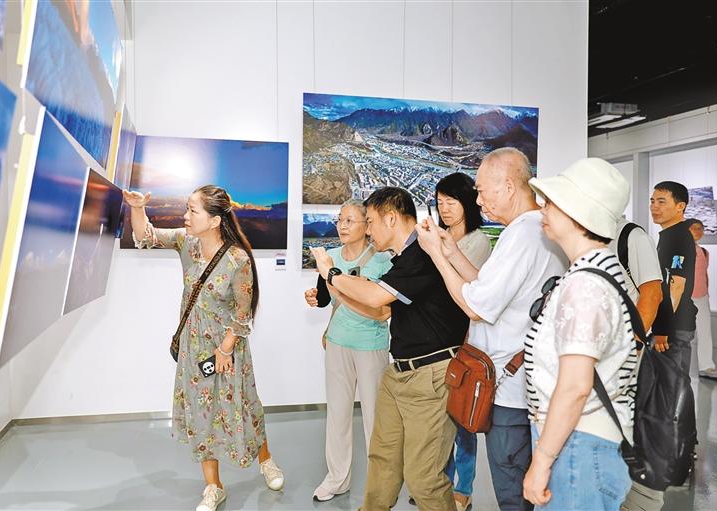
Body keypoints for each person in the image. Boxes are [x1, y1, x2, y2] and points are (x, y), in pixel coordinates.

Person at [415, 148, 566, 511]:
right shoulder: (533, 229)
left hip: (510, 388)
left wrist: (435, 255)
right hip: (526, 378)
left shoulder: (523, 234)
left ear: (509, 187)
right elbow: (488, 287)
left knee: (511, 483)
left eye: (482, 191)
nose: (479, 200)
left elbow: (475, 306)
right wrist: (451, 252)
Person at [123, 186, 284, 511]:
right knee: (201, 414)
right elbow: (146, 236)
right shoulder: (187, 243)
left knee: (244, 406)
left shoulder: (238, 259)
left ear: (214, 220)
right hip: (193, 348)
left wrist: (224, 350)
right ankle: (213, 487)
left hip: (227, 350)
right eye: (187, 208)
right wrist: (138, 209)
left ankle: (265, 460)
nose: (185, 216)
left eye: (192, 210)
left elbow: (243, 313)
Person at [311, 186, 470, 511]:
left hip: (431, 375)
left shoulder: (420, 255)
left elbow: (375, 300)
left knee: (423, 477)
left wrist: (331, 273)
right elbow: (375, 302)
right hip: (400, 370)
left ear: (391, 218)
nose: (368, 230)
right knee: (383, 459)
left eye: (369, 221)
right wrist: (335, 285)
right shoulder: (405, 258)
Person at [522, 157, 638, 510]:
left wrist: (542, 460)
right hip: (582, 441)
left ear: (579, 214)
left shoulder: (585, 285)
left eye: (553, 202)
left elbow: (575, 386)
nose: (543, 208)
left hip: (579, 446)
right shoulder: (596, 271)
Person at [302, 199, 392, 502]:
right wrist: (315, 297)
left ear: (367, 226)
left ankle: (379, 486)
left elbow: (382, 308)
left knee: (374, 419)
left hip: (371, 346)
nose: (342, 226)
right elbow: (326, 298)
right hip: (338, 343)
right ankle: (336, 479)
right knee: (337, 415)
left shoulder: (383, 261)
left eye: (349, 220)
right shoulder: (330, 257)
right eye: (340, 220)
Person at [436, 173, 492, 511]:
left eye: (451, 201)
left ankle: (464, 486)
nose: (444, 208)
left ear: (467, 203)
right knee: (440, 419)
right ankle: (439, 482)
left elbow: (466, 286)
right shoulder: (438, 236)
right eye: (440, 201)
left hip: (463, 338)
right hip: (437, 336)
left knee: (462, 418)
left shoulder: (477, 241)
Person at [608, 218, 665, 511]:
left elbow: (653, 294)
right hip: (603, 362)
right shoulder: (590, 237)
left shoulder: (631, 236)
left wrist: (632, 347)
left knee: (634, 431)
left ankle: (641, 501)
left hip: (627, 358)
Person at [649, 182, 699, 409]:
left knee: (673, 387)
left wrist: (663, 328)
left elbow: (676, 285)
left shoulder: (679, 237)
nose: (654, 207)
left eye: (662, 202)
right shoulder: (668, 235)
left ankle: (677, 431)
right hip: (670, 325)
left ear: (680, 206)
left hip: (674, 327)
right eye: (652, 201)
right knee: (667, 386)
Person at [686, 219, 717, 379]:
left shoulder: (705, 252)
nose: (698, 231)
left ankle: (706, 367)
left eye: (700, 228)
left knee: (705, 333)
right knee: (681, 334)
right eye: (694, 228)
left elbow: (703, 275)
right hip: (685, 299)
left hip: (702, 298)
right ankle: (673, 367)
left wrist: (706, 294)